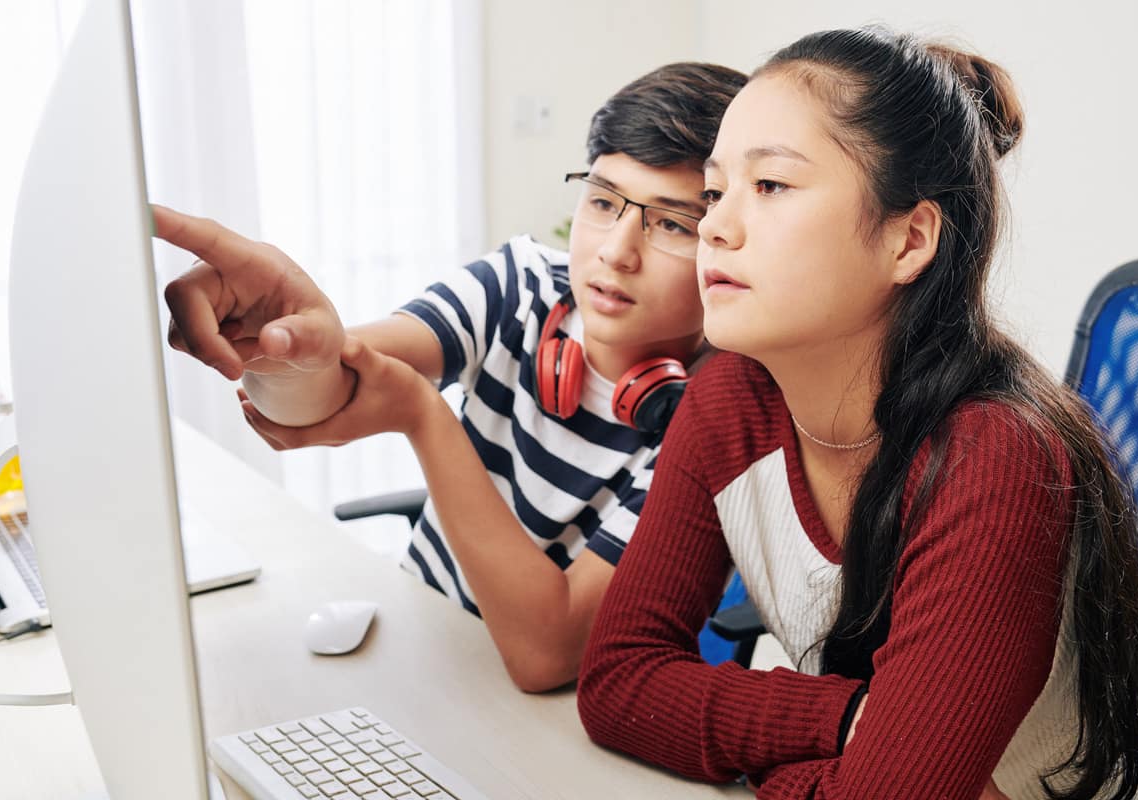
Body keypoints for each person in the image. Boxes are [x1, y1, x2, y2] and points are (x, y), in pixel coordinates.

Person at [576, 28, 1138, 800]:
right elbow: (620, 684)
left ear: (908, 239)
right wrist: (847, 716)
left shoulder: (995, 456)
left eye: (771, 187)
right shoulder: (728, 403)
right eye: (715, 191)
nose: (715, 227)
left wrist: (773, 762)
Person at [153, 61, 748, 693]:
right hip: (419, 640)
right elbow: (329, 390)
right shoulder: (519, 286)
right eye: (603, 201)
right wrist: (284, 336)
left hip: (550, 725)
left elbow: (544, 656)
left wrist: (424, 417)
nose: (614, 251)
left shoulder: (713, 420)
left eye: (672, 224)